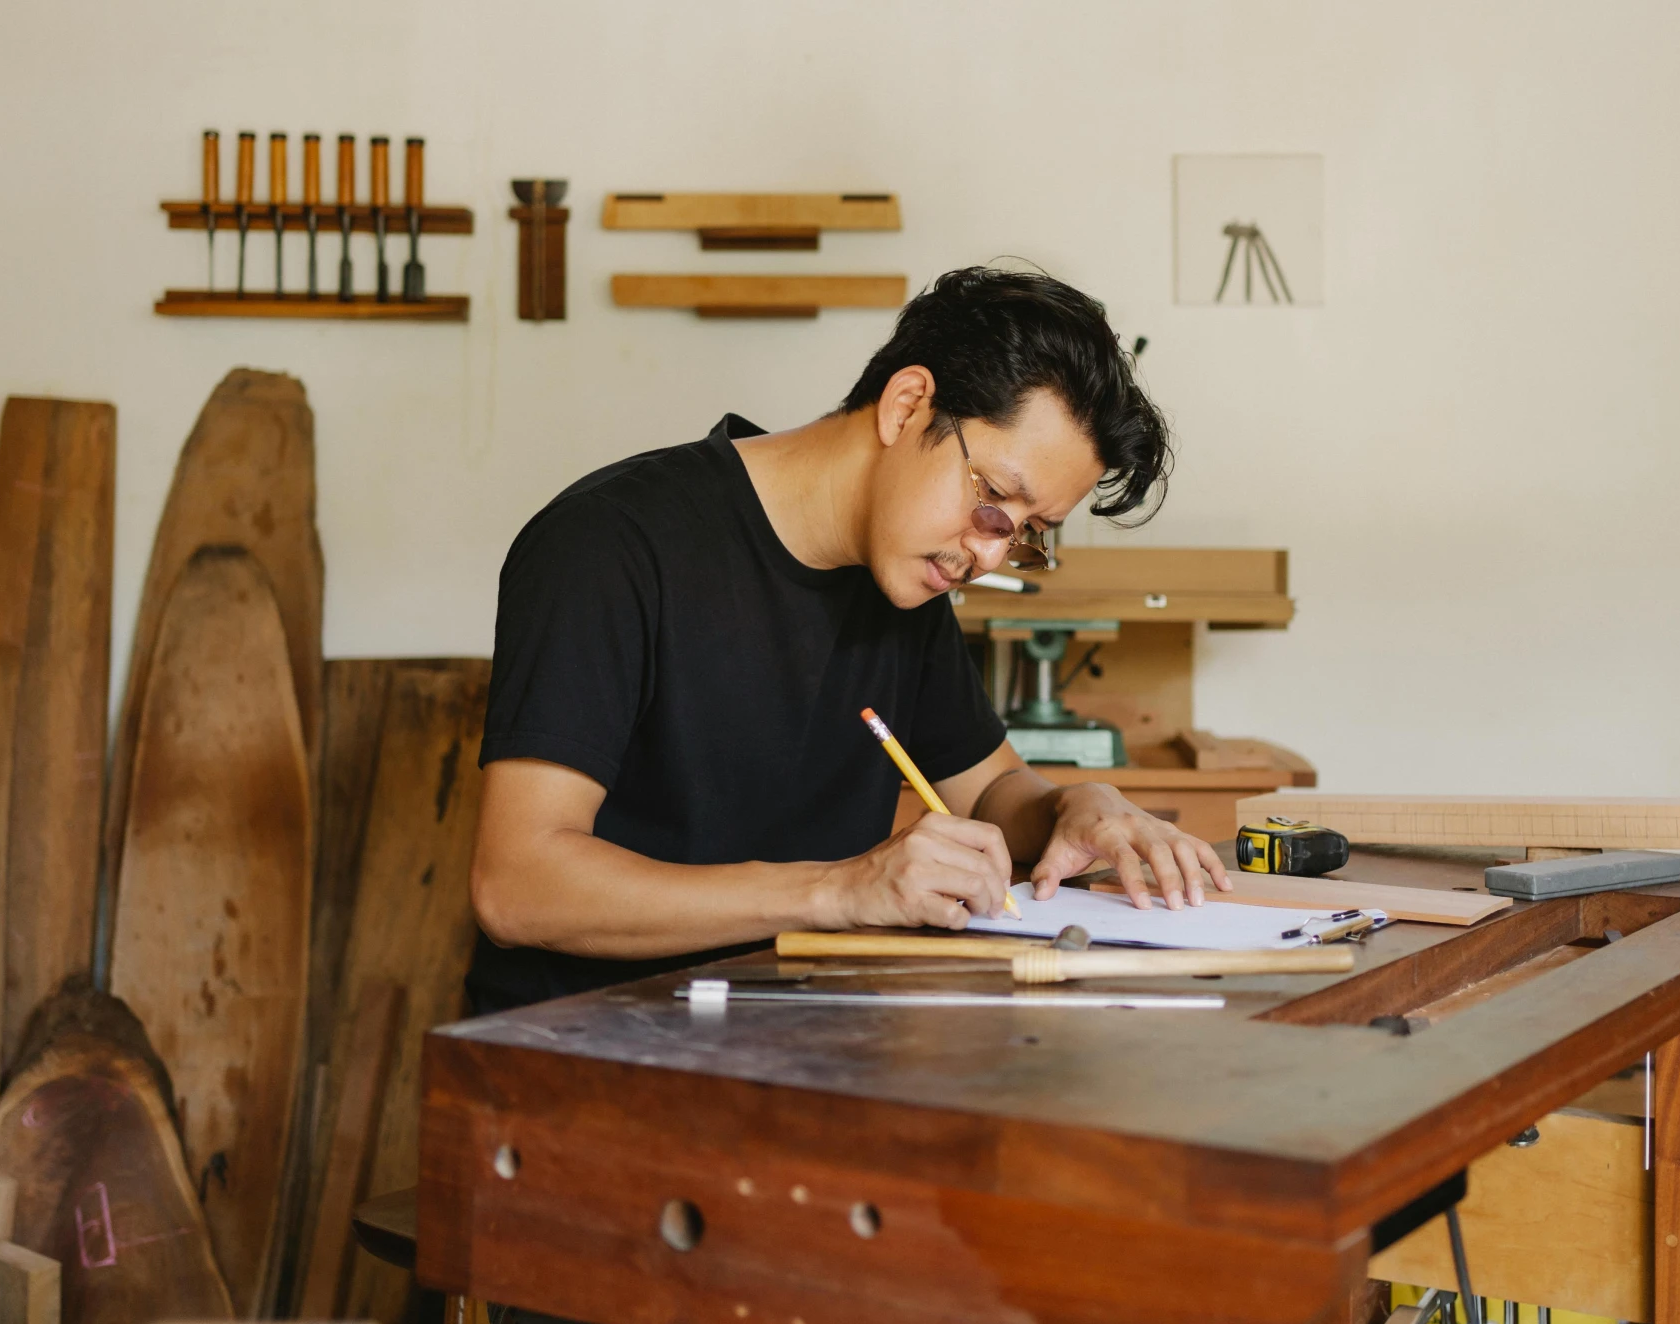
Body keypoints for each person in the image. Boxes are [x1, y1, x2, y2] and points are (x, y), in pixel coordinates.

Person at [466, 265, 1232, 1017]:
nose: (992, 555)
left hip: (797, 1049)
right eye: (996, 502)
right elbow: (518, 886)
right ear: (906, 407)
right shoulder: (611, 545)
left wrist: (1076, 806)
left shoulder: (903, 577)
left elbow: (993, 792)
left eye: (1027, 534)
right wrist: (841, 889)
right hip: (583, 1059)